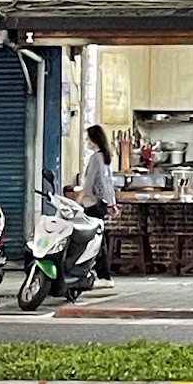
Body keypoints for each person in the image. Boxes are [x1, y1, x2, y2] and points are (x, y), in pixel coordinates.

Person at [80, 124, 118, 289]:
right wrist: (111, 203)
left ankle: (102, 274)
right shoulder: (106, 157)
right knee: (98, 239)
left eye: (88, 138)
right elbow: (108, 182)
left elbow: (90, 182)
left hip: (92, 203)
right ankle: (101, 274)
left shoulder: (96, 158)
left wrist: (80, 199)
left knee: (92, 241)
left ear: (94, 140)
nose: (87, 141)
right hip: (101, 204)